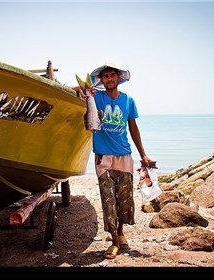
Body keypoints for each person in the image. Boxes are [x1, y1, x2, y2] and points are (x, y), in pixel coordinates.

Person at [82, 63, 154, 259]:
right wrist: (85, 90)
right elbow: (80, 92)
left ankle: (120, 232)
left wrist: (143, 154)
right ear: (101, 80)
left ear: (118, 78)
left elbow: (133, 128)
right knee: (108, 200)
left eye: (112, 75)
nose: (109, 79)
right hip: (103, 156)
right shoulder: (96, 97)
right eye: (105, 76)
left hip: (124, 155)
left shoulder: (128, 100)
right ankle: (114, 241)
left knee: (123, 200)